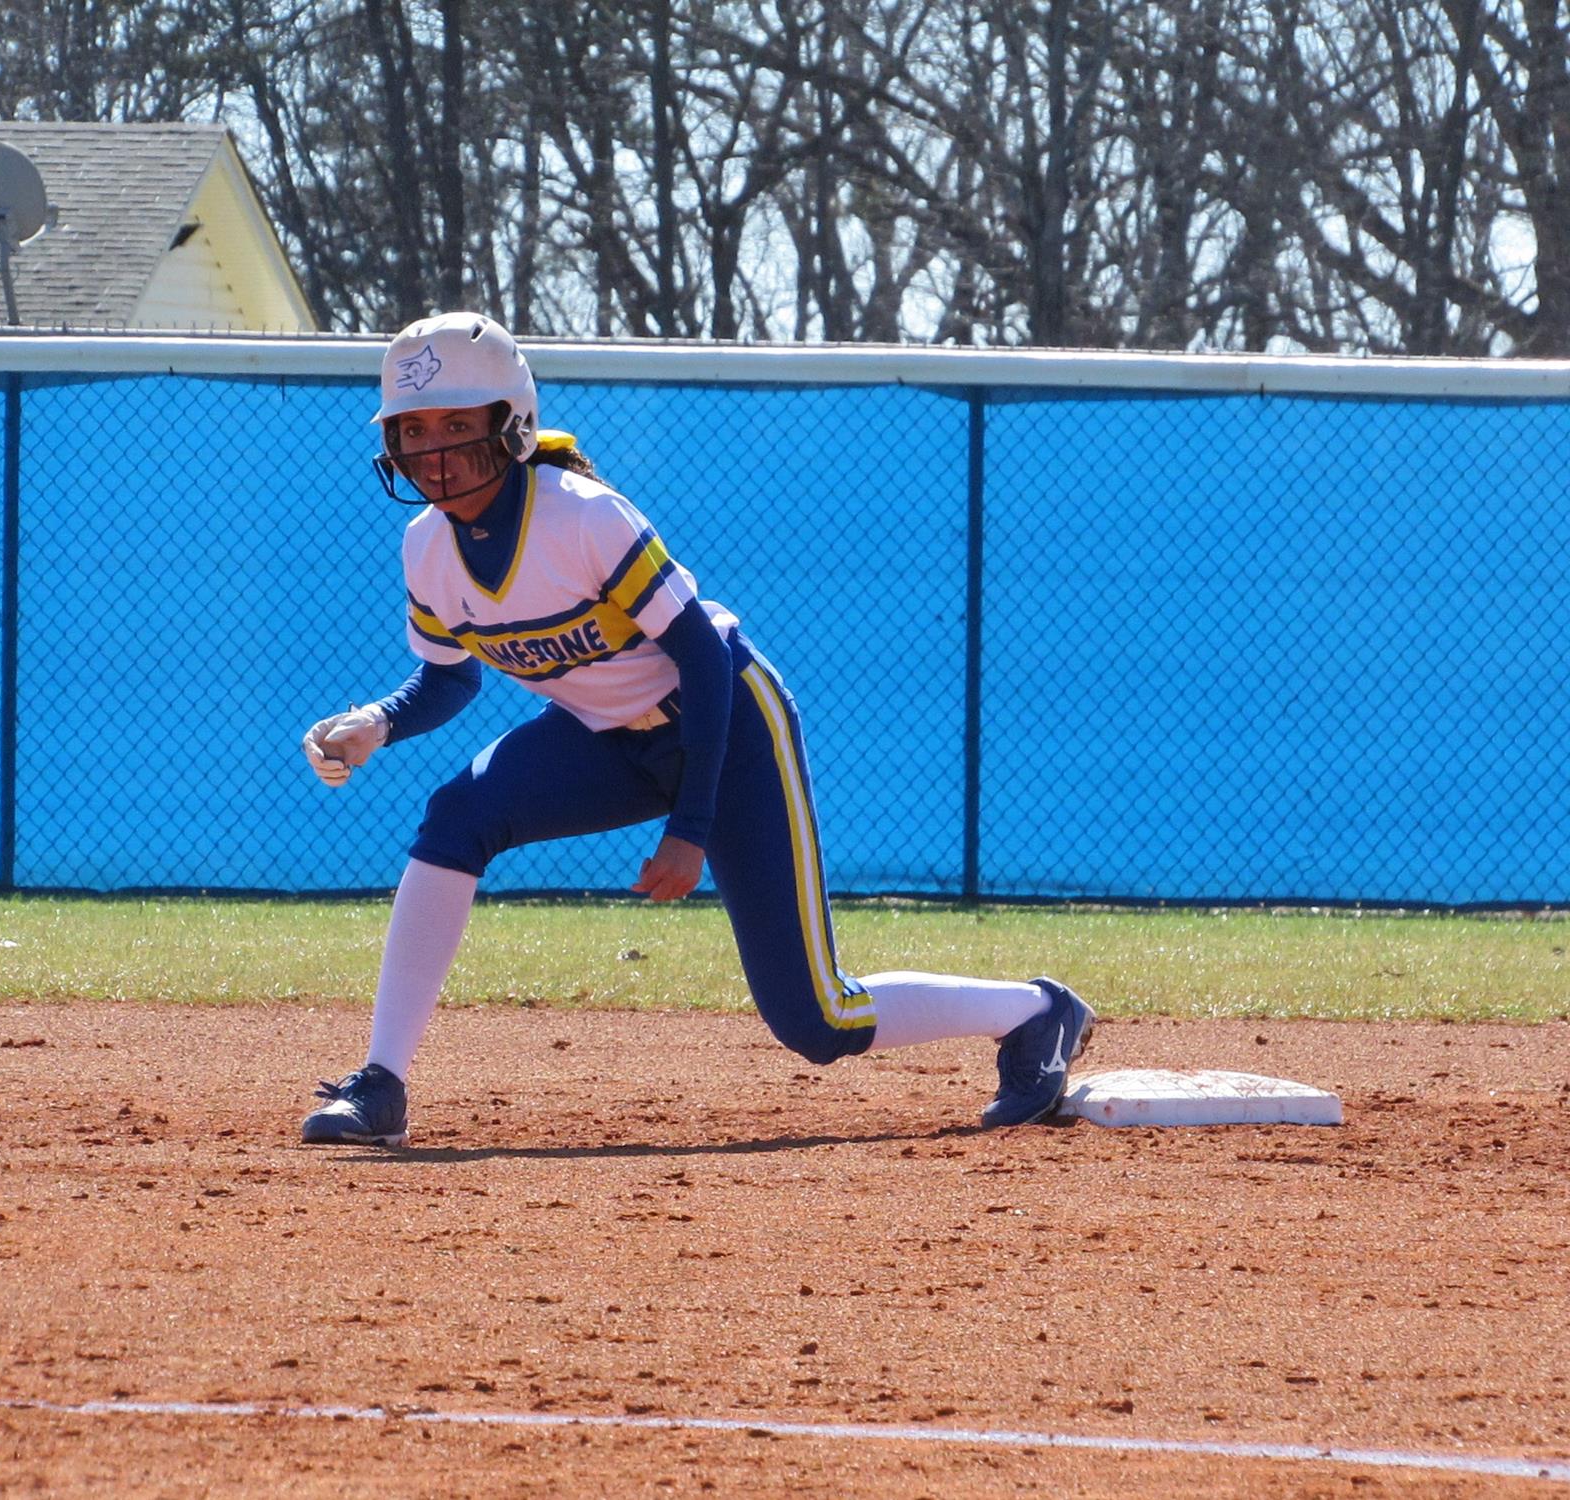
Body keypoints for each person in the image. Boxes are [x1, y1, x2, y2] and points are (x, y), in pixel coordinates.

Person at [297, 312, 1094, 1146]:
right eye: (414, 429)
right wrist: (378, 723)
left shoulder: (581, 516)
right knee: (455, 816)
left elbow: (705, 662)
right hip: (602, 737)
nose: (435, 452)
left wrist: (690, 829)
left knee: (815, 1019)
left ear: (514, 424)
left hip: (731, 724)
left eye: (459, 425)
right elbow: (448, 676)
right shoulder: (426, 546)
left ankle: (1037, 1011)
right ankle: (381, 1085)